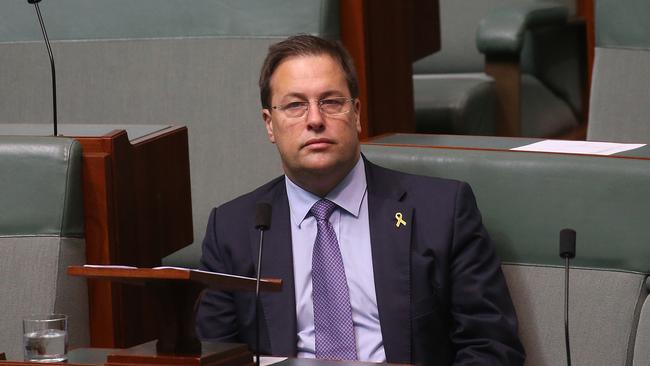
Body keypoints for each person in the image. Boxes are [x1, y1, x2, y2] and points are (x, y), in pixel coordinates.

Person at [197, 34, 525, 365]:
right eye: (295, 105)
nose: (314, 119)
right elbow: (213, 356)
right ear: (270, 124)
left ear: (356, 114)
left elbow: (492, 347)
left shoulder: (442, 212)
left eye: (330, 101)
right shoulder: (233, 230)